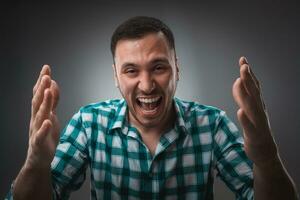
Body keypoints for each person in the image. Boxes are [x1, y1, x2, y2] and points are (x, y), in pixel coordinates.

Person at [6, 16, 298, 200]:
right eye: (131, 71)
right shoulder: (88, 123)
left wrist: (267, 157)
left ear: (176, 69)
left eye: (158, 67)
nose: (146, 85)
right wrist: (36, 164)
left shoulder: (213, 124)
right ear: (116, 76)